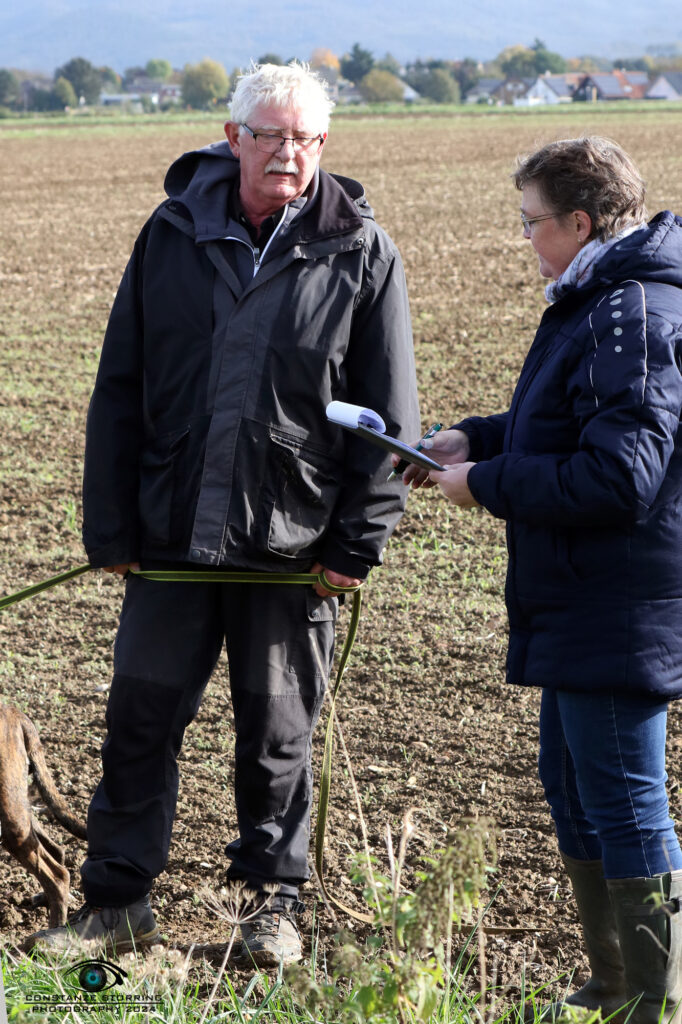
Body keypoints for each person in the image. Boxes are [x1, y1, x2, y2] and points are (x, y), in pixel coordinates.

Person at [27, 61, 419, 964]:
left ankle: (268, 907)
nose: (290, 152)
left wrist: (355, 546)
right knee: (138, 722)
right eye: (273, 135)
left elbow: (389, 420)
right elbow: (118, 387)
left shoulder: (361, 251)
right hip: (170, 538)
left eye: (308, 138)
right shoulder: (169, 234)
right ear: (232, 136)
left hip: (293, 546)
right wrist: (110, 529)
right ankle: (117, 902)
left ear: (325, 145)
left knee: (278, 736)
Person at [401, 137, 682, 1022]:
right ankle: (612, 984)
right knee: (571, 785)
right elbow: (566, 422)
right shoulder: (597, 298)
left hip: (618, 600)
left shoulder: (630, 311)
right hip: (578, 596)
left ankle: (657, 1001)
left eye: (531, 223)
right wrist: (476, 439)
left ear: (580, 221)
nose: (524, 240)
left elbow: (620, 476)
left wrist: (482, 485)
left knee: (626, 798)